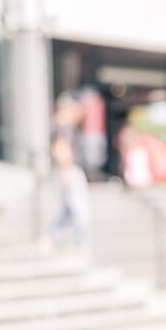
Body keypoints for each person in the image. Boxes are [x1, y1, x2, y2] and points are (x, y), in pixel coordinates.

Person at [49, 93, 92, 249]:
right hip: (68, 170)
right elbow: (60, 149)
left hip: (66, 170)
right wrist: (66, 170)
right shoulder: (63, 126)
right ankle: (79, 243)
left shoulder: (61, 125)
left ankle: (54, 234)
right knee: (80, 209)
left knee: (69, 211)